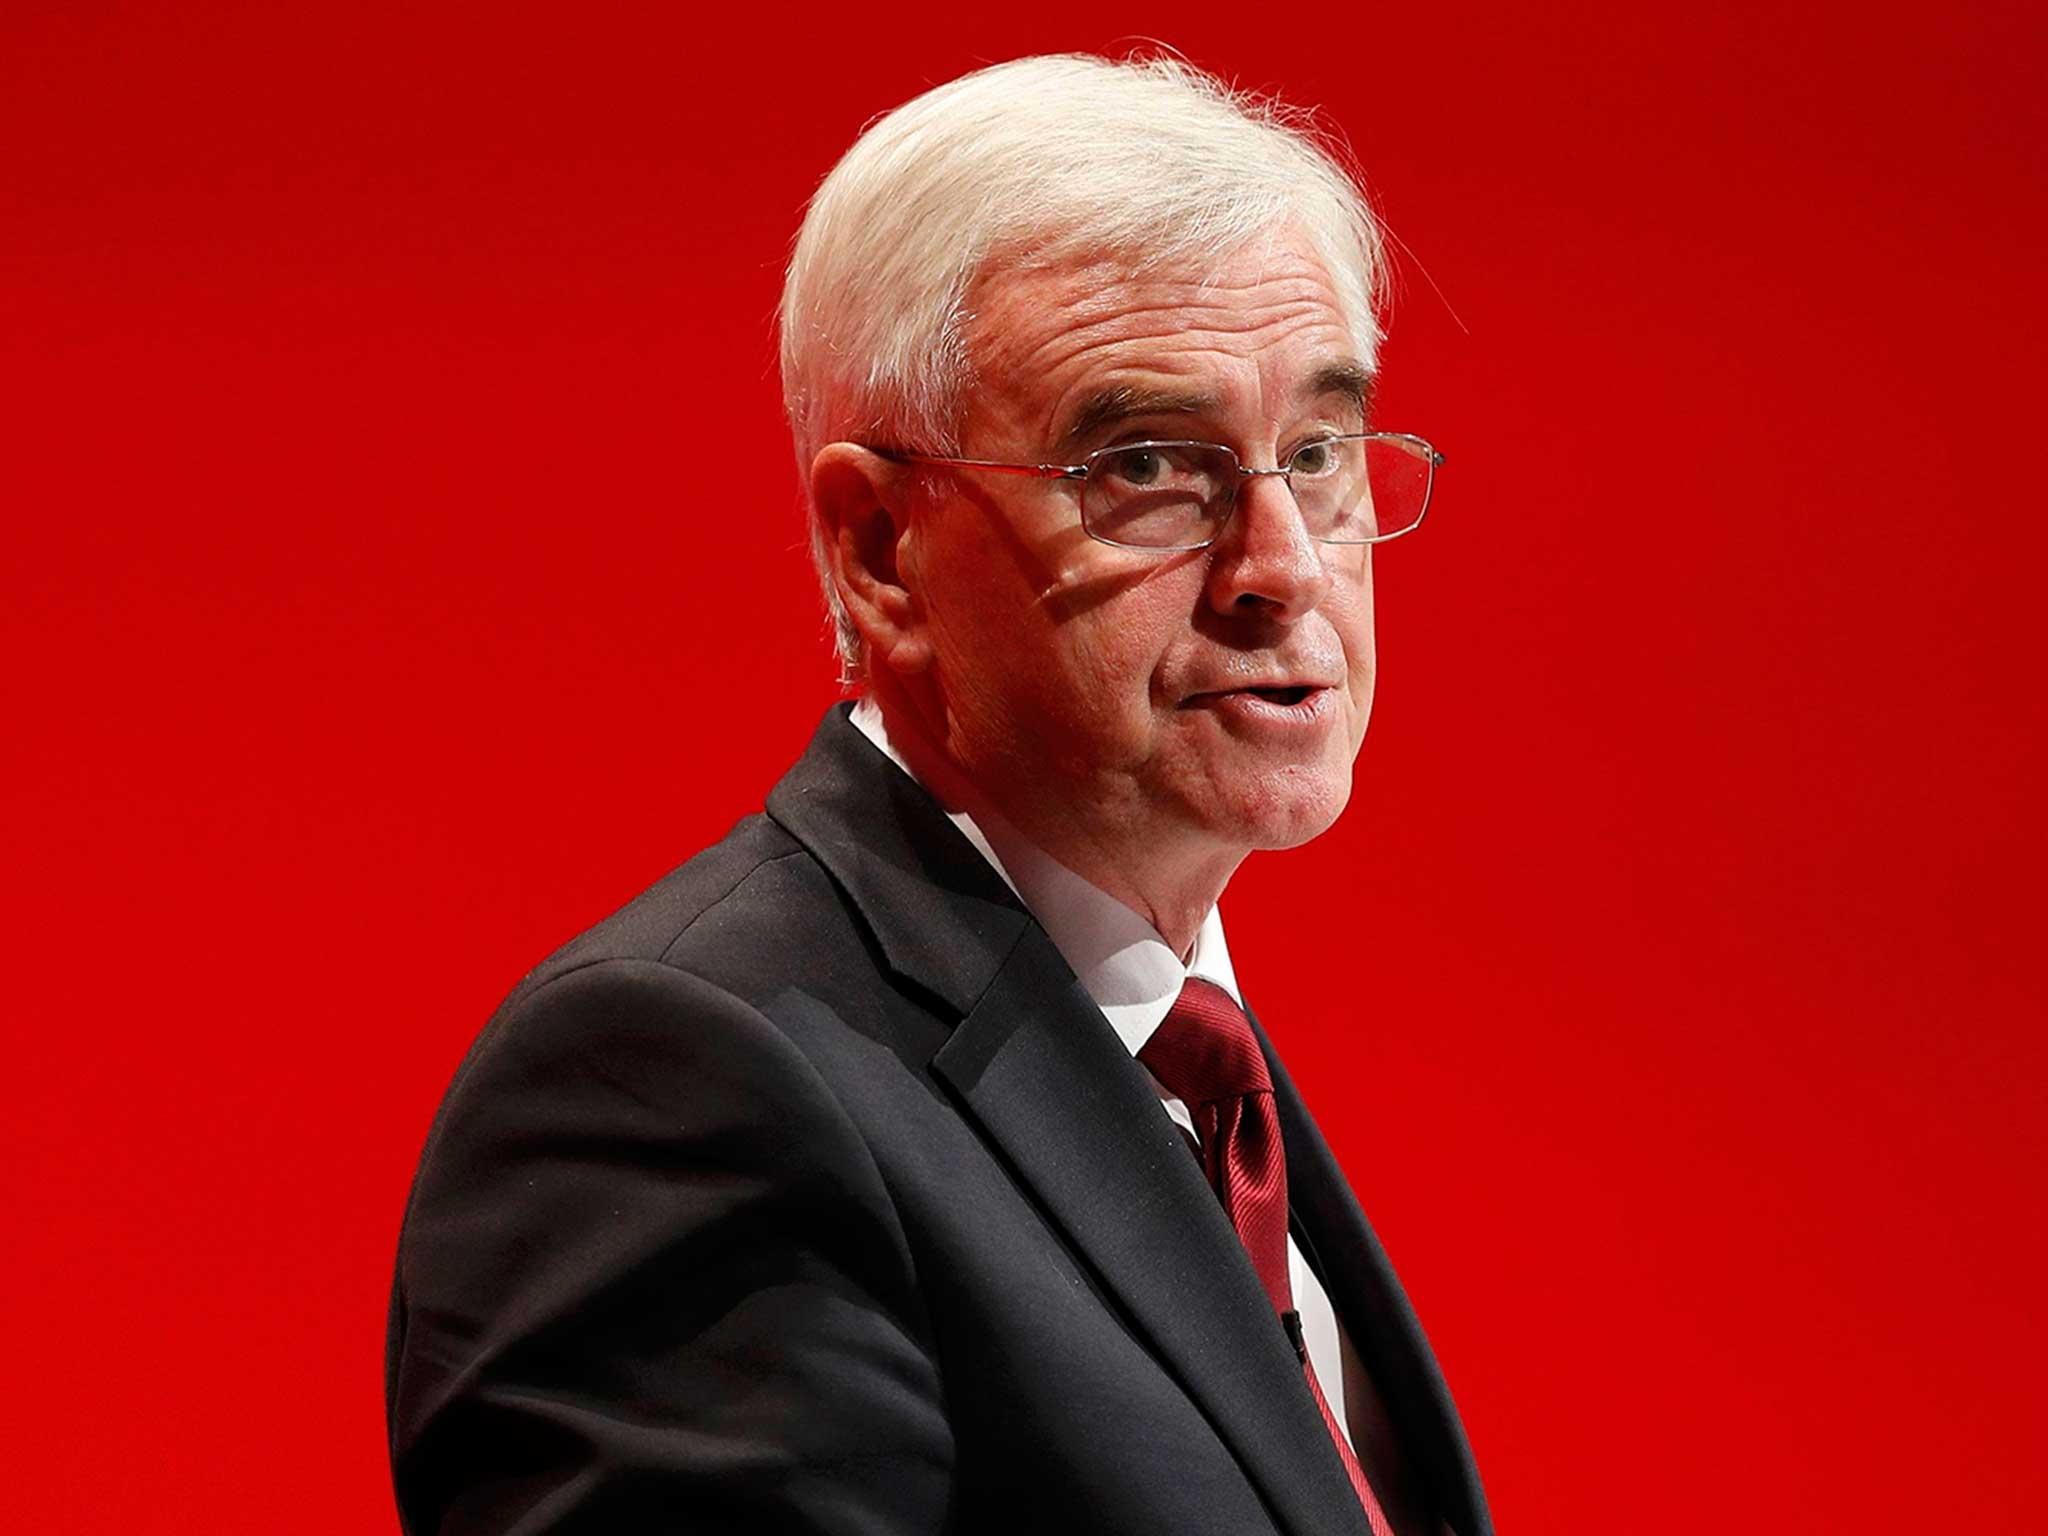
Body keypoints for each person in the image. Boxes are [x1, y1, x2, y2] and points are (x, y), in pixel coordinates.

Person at [386, 52, 1489, 1536]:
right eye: (1151, 466)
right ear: (879, 553)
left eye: (1316, 451)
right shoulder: (679, 1085)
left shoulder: (1191, 1067)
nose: (1283, 567)